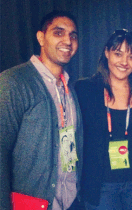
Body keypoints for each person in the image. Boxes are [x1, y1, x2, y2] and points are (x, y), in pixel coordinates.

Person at [0, 11, 83, 210]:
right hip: (31, 204)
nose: (68, 40)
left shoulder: (70, 87)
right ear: (40, 38)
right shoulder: (14, 82)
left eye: (73, 35)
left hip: (70, 201)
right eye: (58, 33)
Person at [74, 29, 132, 210]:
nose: (124, 62)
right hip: (100, 185)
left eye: (131, 56)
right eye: (118, 54)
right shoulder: (84, 90)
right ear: (106, 53)